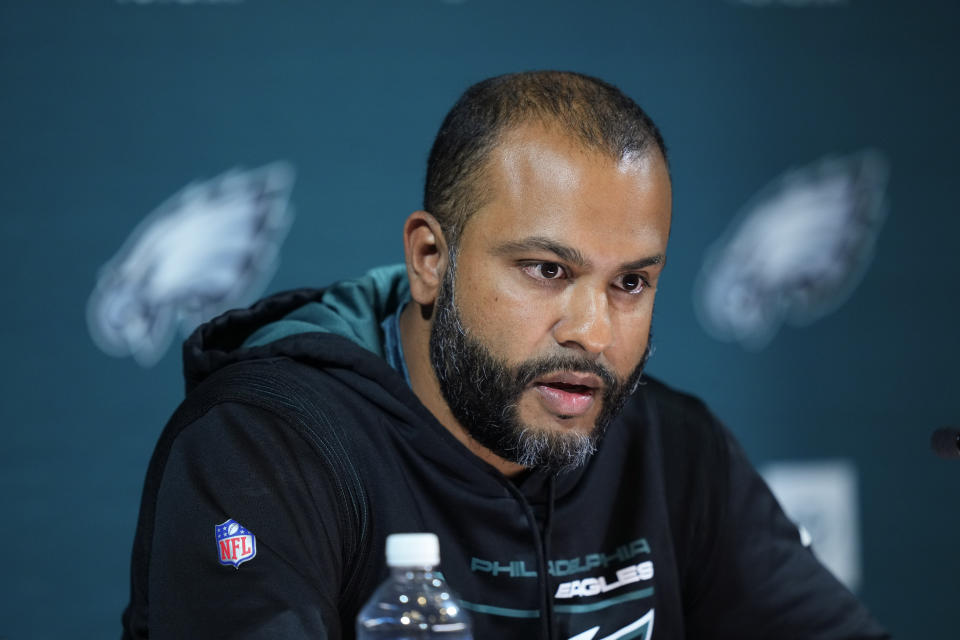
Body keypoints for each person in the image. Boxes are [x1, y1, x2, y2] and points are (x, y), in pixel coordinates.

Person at [122, 71, 889, 639]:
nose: (593, 331)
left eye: (630, 282)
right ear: (430, 258)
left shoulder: (673, 448)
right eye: (547, 271)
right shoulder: (268, 446)